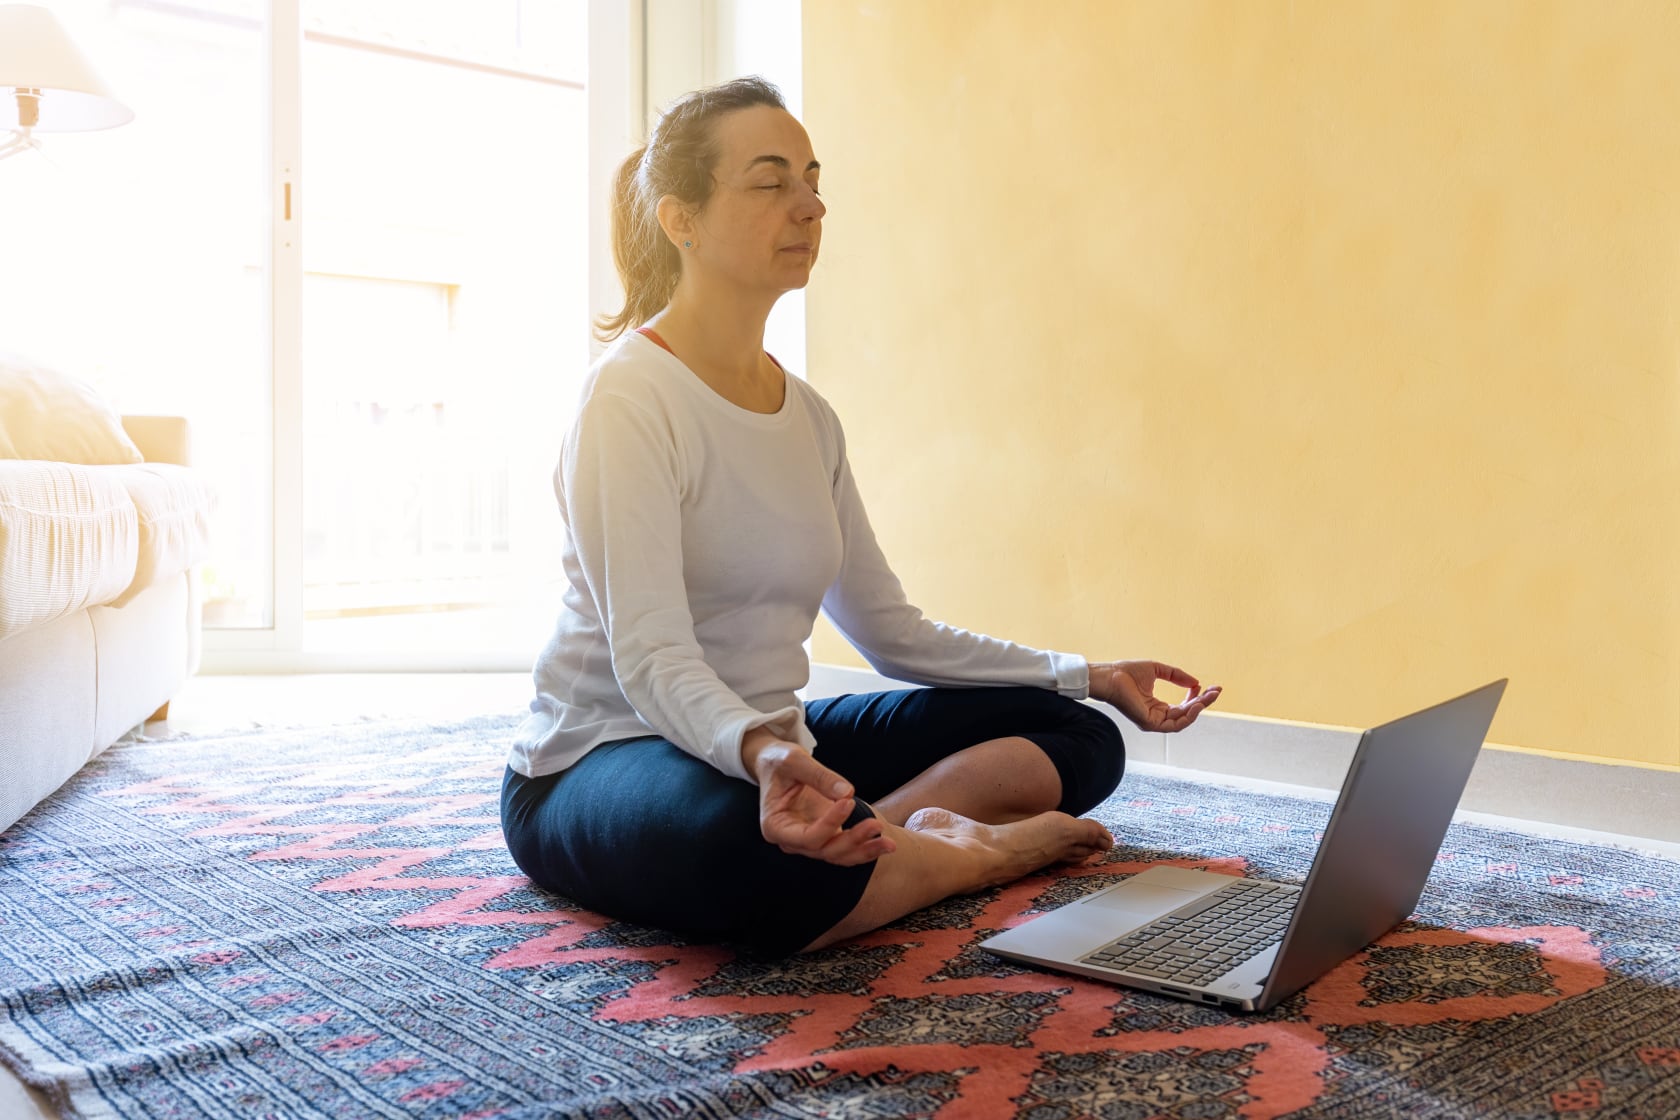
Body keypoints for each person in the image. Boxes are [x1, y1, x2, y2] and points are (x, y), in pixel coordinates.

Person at [500, 76, 1221, 958]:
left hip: (777, 743)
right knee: (762, 855)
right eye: (771, 183)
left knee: (1079, 735)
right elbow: (650, 657)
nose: (810, 204)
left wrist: (1087, 671)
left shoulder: (807, 416)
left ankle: (874, 837)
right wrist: (762, 759)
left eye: (811, 178)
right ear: (679, 217)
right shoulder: (629, 398)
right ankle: (964, 853)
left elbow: (894, 634)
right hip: (605, 756)